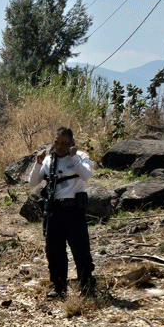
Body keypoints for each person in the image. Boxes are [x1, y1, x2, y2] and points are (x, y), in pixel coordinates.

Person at [29, 127, 95, 299]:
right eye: (57, 142)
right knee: (54, 251)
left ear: (71, 142)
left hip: (74, 211)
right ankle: (59, 287)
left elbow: (86, 175)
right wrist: (37, 163)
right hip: (54, 212)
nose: (60, 146)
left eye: (64, 143)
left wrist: (74, 157)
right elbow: (33, 182)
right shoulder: (49, 160)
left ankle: (86, 285)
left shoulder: (80, 157)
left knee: (80, 250)